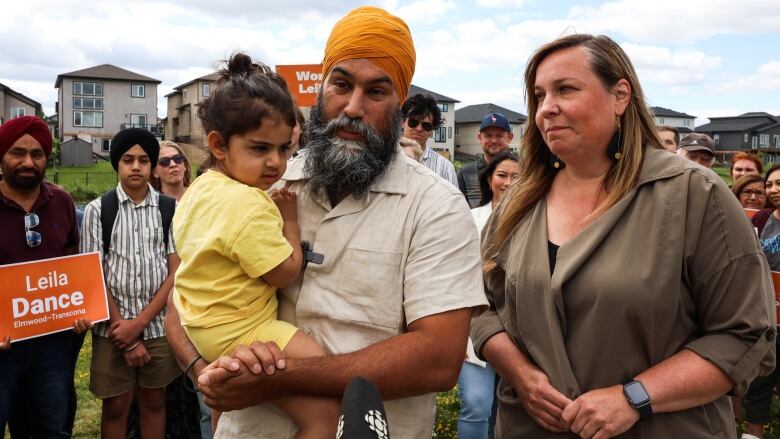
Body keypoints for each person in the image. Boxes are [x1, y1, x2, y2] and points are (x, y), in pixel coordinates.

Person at [165, 6, 487, 438]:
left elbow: (438, 358)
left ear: (399, 104)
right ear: (320, 88)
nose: (352, 107)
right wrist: (207, 372)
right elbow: (182, 294)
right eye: (341, 84)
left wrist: (279, 378)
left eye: (376, 92)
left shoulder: (435, 208)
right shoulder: (265, 182)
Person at [470, 34, 775, 438]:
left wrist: (636, 396)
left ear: (620, 96)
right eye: (539, 95)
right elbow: (479, 305)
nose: (547, 108)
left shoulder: (692, 194)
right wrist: (520, 373)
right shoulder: (519, 202)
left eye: (565, 89)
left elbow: (745, 334)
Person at [173, 52, 340, 438]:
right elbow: (282, 274)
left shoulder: (199, 190)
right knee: (325, 397)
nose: (276, 164)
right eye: (259, 148)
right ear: (218, 144)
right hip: (243, 327)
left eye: (284, 149)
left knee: (225, 411)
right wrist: (291, 225)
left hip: (202, 324)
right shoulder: (249, 203)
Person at [80, 128, 181, 438]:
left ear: (152, 166)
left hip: (157, 327)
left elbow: (175, 271)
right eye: (127, 160)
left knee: (154, 401)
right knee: (116, 405)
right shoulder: (99, 210)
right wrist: (124, 330)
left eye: (143, 160)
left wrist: (140, 325)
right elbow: (93, 272)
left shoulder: (168, 208)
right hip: (113, 331)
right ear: (117, 164)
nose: (135, 166)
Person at [0, 116, 92, 438]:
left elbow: (71, 266)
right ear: (2, 156)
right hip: (2, 345)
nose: (28, 161)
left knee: (50, 429)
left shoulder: (62, 202)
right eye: (17, 152)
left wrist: (78, 309)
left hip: (51, 344)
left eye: (37, 154)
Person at [458, 150, 519, 439]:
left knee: (510, 411)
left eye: (517, 177)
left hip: (519, 330)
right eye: (502, 175)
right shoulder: (469, 218)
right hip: (476, 325)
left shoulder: (538, 219)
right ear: (489, 179)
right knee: (476, 404)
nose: (508, 182)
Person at [743, 164, 780, 439]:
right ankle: (753, 433)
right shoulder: (760, 218)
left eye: (779, 184)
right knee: (761, 378)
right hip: (766, 311)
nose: (773, 190)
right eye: (770, 184)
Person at [457, 112, 514, 207]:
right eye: (488, 136)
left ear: (510, 137)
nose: (494, 140)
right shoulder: (465, 173)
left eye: (499, 136)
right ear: (479, 138)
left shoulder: (523, 171)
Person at [401, 93, 457, 186]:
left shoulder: (445, 168)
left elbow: (454, 200)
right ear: (402, 122)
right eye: (413, 122)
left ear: (432, 130)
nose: (419, 128)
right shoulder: (386, 159)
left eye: (426, 125)